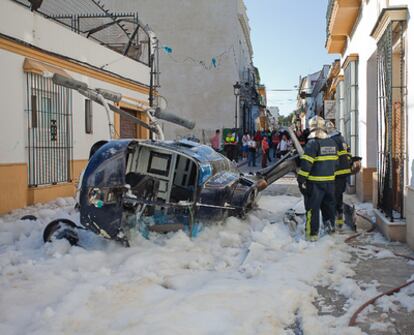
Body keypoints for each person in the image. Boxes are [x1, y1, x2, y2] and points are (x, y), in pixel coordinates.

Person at [297, 116, 338, 242]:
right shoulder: (332, 143)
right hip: (330, 182)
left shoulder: (312, 144)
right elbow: (336, 163)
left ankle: (312, 235)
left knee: (312, 208)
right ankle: (330, 229)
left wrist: (301, 179)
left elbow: (306, 165)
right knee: (329, 207)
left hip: (315, 183)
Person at [326, 121, 352, 230]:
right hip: (344, 173)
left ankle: (333, 222)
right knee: (339, 196)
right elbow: (348, 154)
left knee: (332, 198)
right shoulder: (342, 138)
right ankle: (340, 221)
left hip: (335, 174)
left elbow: (331, 158)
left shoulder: (331, 141)